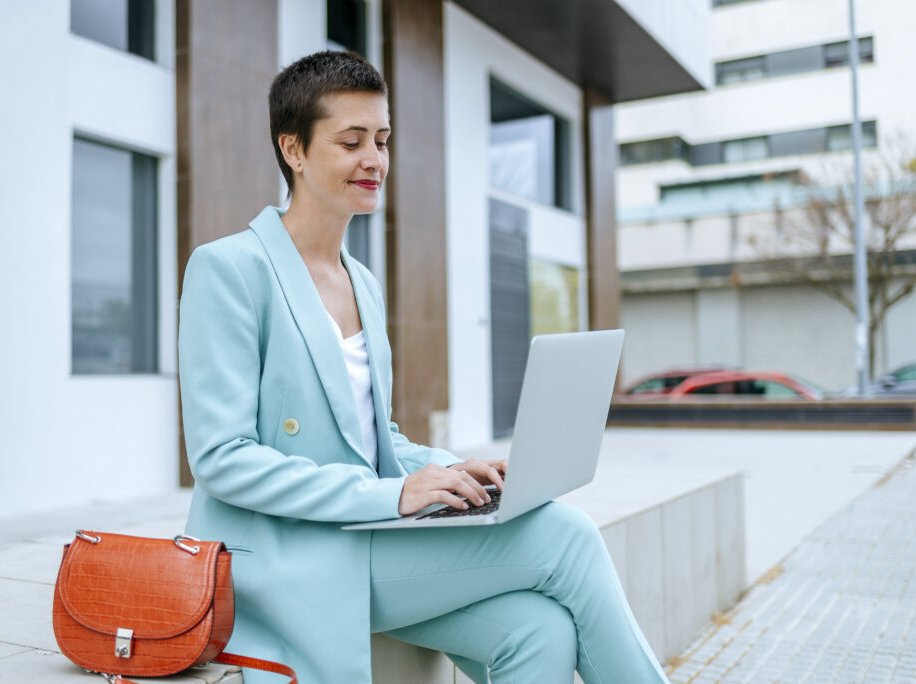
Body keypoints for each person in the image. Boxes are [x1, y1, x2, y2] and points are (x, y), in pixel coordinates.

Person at [178, 50, 669, 684]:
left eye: (382, 140)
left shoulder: (363, 283)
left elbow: (372, 440)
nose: (374, 160)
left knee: (538, 630)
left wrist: (444, 470)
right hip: (283, 553)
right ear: (293, 150)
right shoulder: (230, 269)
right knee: (566, 538)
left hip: (363, 535)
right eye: (351, 141)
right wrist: (392, 494)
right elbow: (221, 457)